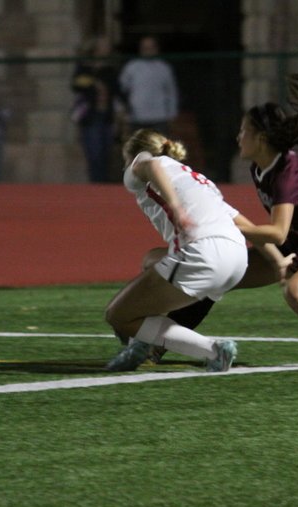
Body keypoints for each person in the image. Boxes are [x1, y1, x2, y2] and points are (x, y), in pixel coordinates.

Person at [145, 63, 298, 368]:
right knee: (215, 274)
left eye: (244, 130)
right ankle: (158, 345)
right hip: (291, 249)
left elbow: (277, 233)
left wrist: (226, 225)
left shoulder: (286, 172)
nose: (238, 136)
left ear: (260, 139)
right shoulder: (261, 166)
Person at [103, 129, 248, 373]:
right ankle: (139, 345)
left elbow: (151, 165)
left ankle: (212, 349)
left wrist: (177, 208)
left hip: (203, 252)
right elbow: (246, 226)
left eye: (126, 160)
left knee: (118, 316)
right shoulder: (199, 180)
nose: (126, 167)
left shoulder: (144, 164)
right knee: (152, 260)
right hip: (238, 257)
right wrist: (277, 257)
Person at [71, 36, 119, 183]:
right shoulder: (85, 66)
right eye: (102, 46)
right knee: (94, 153)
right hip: (91, 115)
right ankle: (96, 183)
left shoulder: (111, 68)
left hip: (107, 114)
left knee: (106, 153)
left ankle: (104, 182)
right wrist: (95, 84)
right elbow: (76, 84)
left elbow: (117, 89)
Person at [118, 35, 179, 137]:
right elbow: (121, 89)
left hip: (160, 117)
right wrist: (120, 110)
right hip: (136, 118)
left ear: (156, 49)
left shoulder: (164, 68)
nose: (148, 50)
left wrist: (172, 114)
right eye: (145, 47)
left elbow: (171, 92)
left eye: (151, 47)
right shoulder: (131, 67)